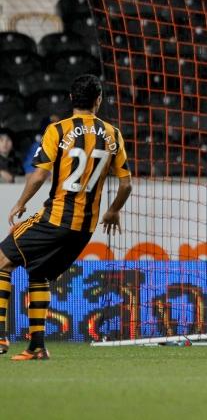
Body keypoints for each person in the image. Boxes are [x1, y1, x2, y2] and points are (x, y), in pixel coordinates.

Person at [0, 74, 132, 360]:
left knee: (2, 260)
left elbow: (39, 175)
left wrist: (20, 203)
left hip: (56, 218)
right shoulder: (113, 134)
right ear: (98, 100)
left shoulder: (58, 130)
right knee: (39, 273)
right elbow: (126, 184)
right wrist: (113, 210)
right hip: (84, 229)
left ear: (71, 98)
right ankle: (37, 347)